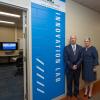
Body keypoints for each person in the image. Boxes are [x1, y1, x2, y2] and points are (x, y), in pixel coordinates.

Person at [64, 35, 83, 100]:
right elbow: (66, 59)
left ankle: (76, 94)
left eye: (74, 38)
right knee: (69, 82)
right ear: (70, 39)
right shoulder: (66, 48)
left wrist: (76, 65)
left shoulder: (80, 48)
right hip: (69, 69)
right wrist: (72, 66)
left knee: (77, 82)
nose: (73, 39)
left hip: (77, 69)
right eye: (71, 38)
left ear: (76, 39)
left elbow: (81, 58)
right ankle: (69, 95)